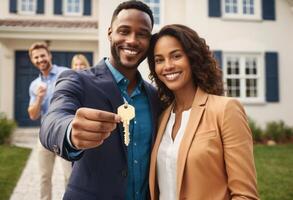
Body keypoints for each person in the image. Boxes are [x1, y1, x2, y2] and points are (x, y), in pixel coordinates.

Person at [39, 1, 161, 199]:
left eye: (142, 34)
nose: (132, 40)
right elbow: (52, 121)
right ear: (110, 33)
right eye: (124, 31)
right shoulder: (77, 79)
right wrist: (70, 131)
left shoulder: (154, 96)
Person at [147, 24, 259, 200]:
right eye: (159, 60)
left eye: (176, 56)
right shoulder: (161, 118)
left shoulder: (225, 110)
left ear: (193, 58)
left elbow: (245, 195)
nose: (167, 66)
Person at [27, 42, 72, 200]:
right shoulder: (34, 85)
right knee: (44, 177)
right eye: (36, 57)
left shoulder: (65, 73)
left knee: (69, 176)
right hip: (44, 135)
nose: (40, 59)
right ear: (33, 60)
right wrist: (39, 98)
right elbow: (33, 114)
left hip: (64, 133)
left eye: (42, 55)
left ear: (49, 55)